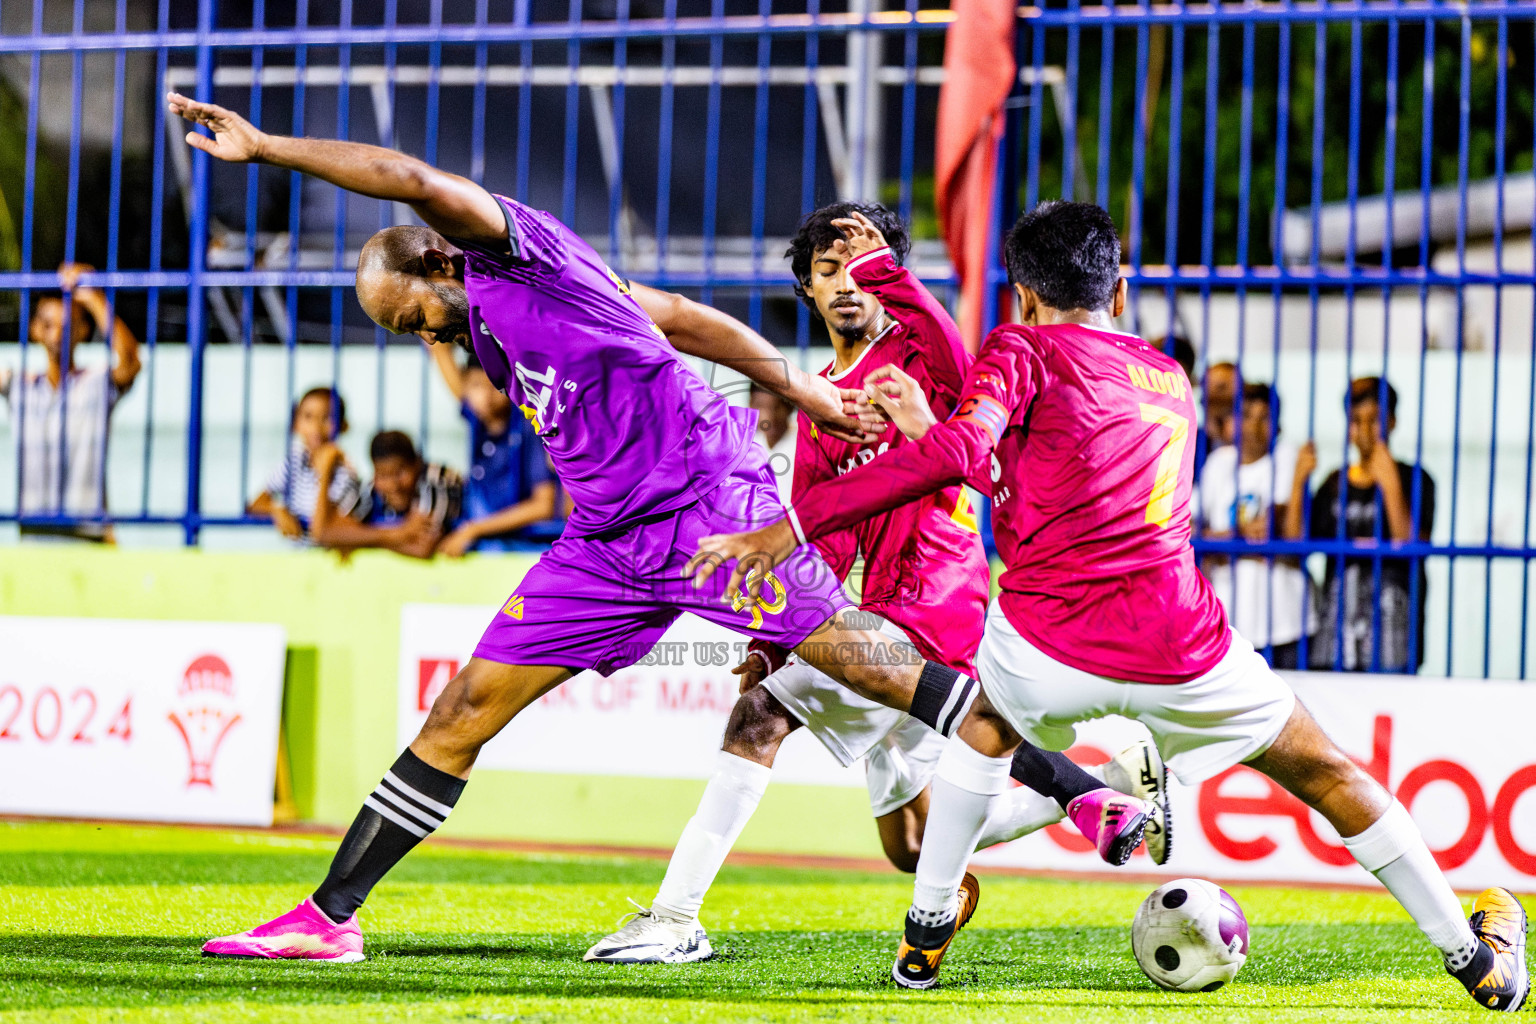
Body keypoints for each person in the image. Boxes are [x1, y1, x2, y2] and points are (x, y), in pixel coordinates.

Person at [166, 93, 1120, 964]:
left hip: (714, 509)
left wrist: (268, 149)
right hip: (606, 547)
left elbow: (414, 179)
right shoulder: (503, 321)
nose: (419, 333)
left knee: (888, 678)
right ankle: (331, 918)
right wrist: (800, 386)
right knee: (463, 711)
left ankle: (1083, 792)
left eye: (409, 314)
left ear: (437, 258)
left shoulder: (512, 250)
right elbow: (675, 316)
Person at [686, 201, 1527, 1009]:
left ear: (1021, 295)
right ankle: (1474, 959)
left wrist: (795, 524)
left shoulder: (1018, 350)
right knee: (1332, 774)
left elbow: (973, 456)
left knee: (979, 728)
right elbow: (1051, 483)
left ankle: (923, 941)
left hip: (1046, 645)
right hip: (1183, 646)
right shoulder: (1169, 377)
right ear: (1118, 294)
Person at [584, 203, 1163, 965]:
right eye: (830, 271)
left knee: (757, 720)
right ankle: (1111, 783)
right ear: (809, 291)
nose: (848, 283)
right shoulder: (821, 398)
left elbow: (947, 382)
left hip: (933, 601)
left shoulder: (927, 358)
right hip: (876, 607)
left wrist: (894, 271)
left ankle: (675, 916)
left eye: (864, 267)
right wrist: (770, 639)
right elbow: (822, 532)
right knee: (913, 844)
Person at [0, 262, 141, 540]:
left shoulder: (97, 382)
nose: (58, 334)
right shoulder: (19, 385)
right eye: (48, 325)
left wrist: (93, 297)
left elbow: (130, 362)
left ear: (83, 331)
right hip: (34, 532)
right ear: (34, 331)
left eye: (68, 325)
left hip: (88, 533)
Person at [1304, 377, 1435, 673]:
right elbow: (1297, 544)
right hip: (1336, 638)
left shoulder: (1416, 479)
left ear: (1392, 422)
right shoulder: (1333, 484)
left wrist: (1390, 485)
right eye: (1356, 421)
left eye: (1374, 420)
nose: (1364, 431)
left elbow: (1413, 545)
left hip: (1394, 638)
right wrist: (1299, 483)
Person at [1199, 382, 1315, 668]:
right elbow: (1189, 532)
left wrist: (1220, 545)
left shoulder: (1287, 457)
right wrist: (1238, 537)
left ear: (1278, 425)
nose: (1254, 425)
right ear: (1231, 422)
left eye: (1265, 417)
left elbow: (1276, 530)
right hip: (1228, 624)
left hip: (1284, 624)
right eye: (1247, 415)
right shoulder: (1217, 463)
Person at [425, 340, 560, 555]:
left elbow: (543, 506)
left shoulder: (530, 426)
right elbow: (437, 349)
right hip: (488, 541)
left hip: (527, 545)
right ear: (466, 385)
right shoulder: (476, 418)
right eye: (477, 386)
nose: (485, 397)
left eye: (494, 386)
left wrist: (473, 530)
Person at [309, 429, 460, 560]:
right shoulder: (372, 489)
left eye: (400, 473)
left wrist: (357, 539)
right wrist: (397, 534)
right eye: (383, 476)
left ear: (417, 464)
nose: (393, 485)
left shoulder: (437, 480)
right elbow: (325, 533)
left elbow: (421, 549)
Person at [248, 386, 364, 542]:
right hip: (299, 560)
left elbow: (321, 530)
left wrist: (325, 470)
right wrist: (277, 510)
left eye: (327, 418)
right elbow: (255, 504)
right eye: (308, 417)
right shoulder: (294, 463)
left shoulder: (346, 474)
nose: (316, 426)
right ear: (296, 423)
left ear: (343, 426)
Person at [748, 382, 796, 503]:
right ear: (750, 405)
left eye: (777, 407)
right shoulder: (748, 447)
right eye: (761, 406)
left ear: (790, 407)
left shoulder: (803, 444)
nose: (769, 417)